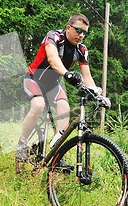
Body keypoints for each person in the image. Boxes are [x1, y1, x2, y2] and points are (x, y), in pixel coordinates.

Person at [16, 13, 98, 161]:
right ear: (68, 27)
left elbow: (87, 76)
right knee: (38, 105)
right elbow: (53, 59)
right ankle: (21, 144)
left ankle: (56, 155)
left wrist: (98, 95)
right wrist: (67, 74)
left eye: (85, 32)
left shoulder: (82, 50)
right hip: (33, 79)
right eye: (78, 30)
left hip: (53, 84)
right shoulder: (54, 36)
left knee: (64, 109)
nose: (81, 35)